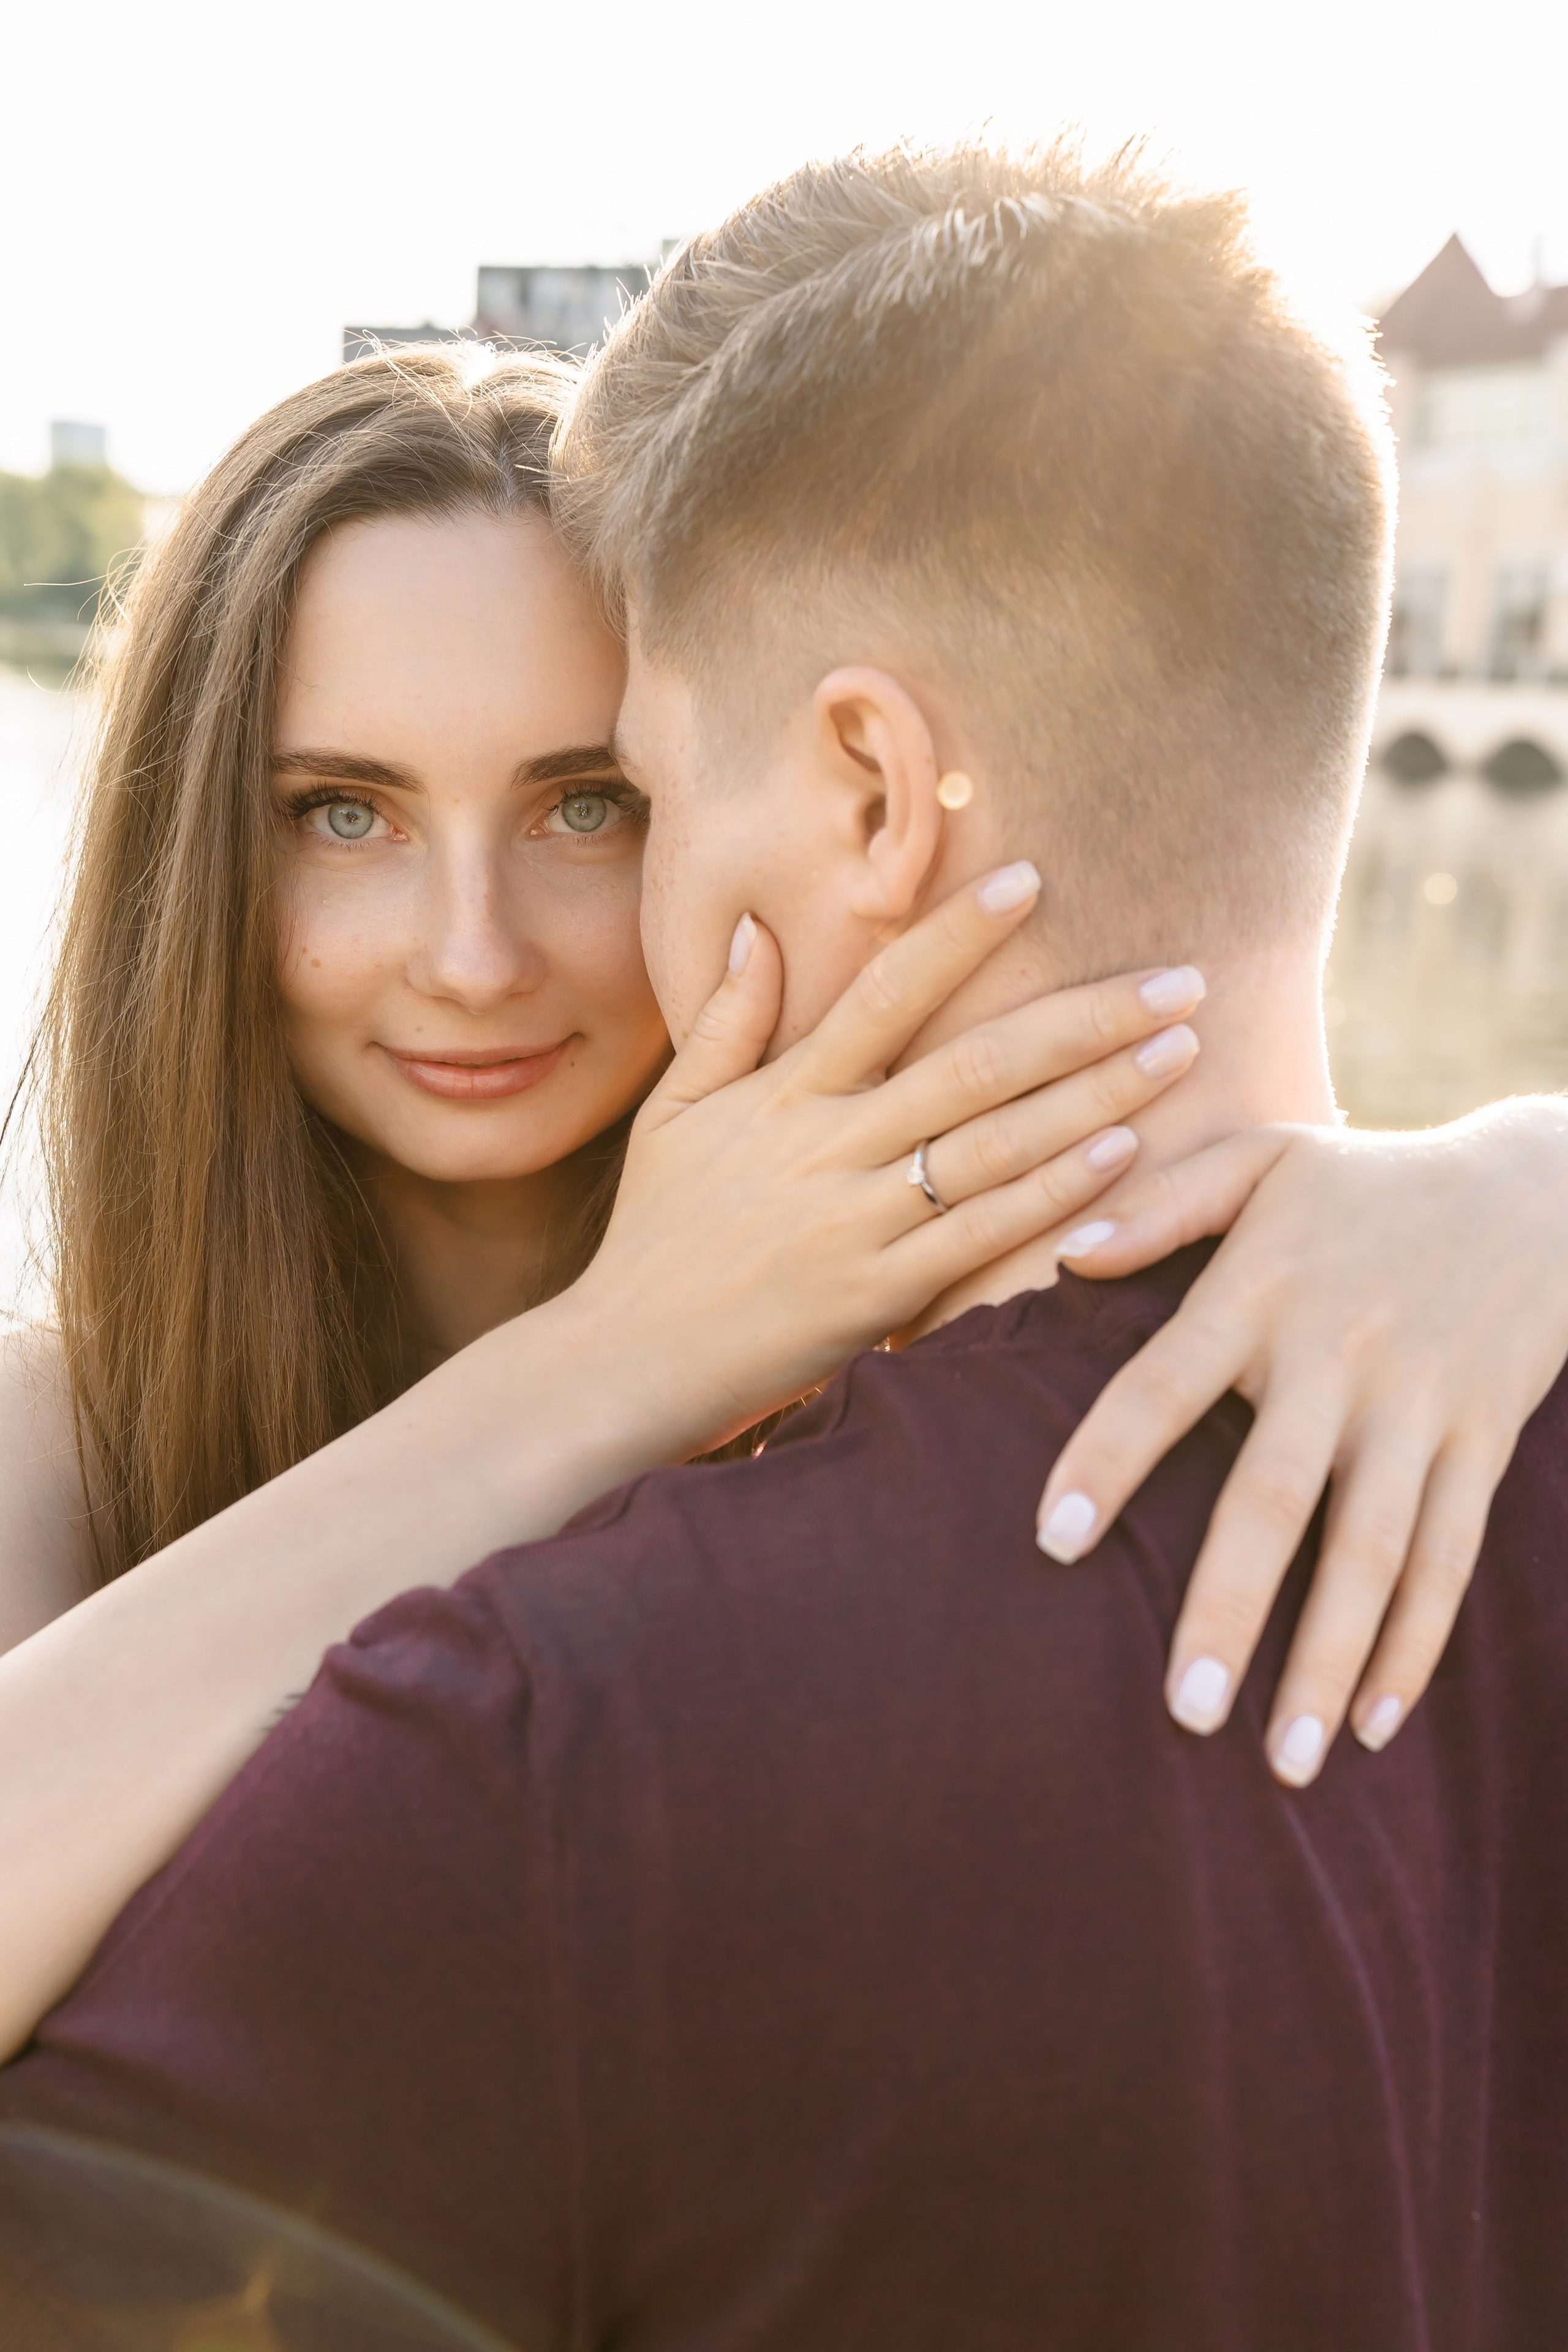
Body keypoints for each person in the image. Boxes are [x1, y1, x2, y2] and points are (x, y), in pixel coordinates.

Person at [6, 140, 1567, 2347]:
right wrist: (602, 1365)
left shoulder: (1227, 1361)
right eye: (336, 813)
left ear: (845, 789)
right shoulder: (64, 1434)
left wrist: (1519, 1173)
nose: (470, 952)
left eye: (592, 801)